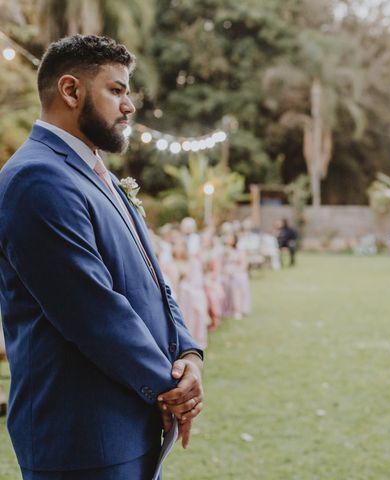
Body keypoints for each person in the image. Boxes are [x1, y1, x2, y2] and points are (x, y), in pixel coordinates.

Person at [0, 35, 204, 479]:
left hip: (131, 419)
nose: (128, 106)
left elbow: (154, 277)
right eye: (116, 90)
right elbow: (92, 309)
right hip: (83, 437)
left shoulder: (98, 173)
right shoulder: (37, 178)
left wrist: (189, 353)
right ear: (71, 91)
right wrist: (173, 390)